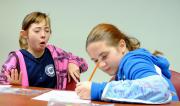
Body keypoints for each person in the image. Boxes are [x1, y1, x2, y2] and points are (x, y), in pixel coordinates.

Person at [75, 23, 179, 103]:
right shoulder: (120, 73)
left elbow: (159, 89)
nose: (101, 64)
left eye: (104, 56)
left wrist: (98, 90)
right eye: (96, 61)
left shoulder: (133, 61)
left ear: (122, 46)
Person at [0, 11, 88, 90]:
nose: (43, 35)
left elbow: (84, 64)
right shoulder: (16, 58)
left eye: (47, 30)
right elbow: (2, 84)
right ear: (24, 34)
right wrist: (14, 86)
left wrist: (73, 63)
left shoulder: (55, 53)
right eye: (37, 31)